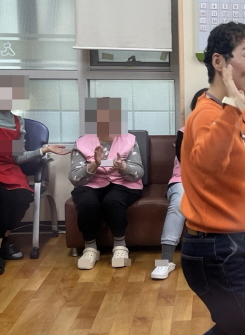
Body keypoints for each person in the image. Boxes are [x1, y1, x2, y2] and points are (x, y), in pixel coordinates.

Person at [151, 22, 245, 335]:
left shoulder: (230, 111)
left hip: (232, 245)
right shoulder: (207, 114)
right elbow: (208, 163)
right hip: (214, 252)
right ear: (219, 62)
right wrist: (234, 106)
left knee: (234, 333)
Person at [0, 74, 69, 275]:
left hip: (9, 170)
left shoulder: (17, 123)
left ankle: (4, 240)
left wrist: (43, 150)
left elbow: (17, 157)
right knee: (3, 199)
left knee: (21, 198)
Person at [69, 97, 144, 270]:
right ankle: (90, 248)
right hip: (91, 184)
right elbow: (74, 177)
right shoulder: (81, 142)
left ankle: (120, 247)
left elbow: (138, 172)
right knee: (87, 202)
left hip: (124, 184)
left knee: (113, 201)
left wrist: (123, 167)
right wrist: (93, 165)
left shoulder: (129, 140)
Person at [151, 88, 208, 280]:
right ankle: (165, 261)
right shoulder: (184, 132)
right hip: (182, 180)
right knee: (178, 205)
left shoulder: (225, 131)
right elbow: (188, 161)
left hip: (212, 182)